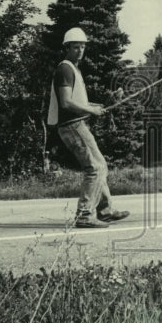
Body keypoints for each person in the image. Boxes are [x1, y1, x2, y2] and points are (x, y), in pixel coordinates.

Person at [48, 28, 129, 228]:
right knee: (95, 167)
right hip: (71, 126)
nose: (80, 51)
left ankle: (105, 210)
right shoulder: (65, 69)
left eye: (83, 47)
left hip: (75, 124)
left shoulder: (74, 69)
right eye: (76, 47)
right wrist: (91, 111)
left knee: (100, 165)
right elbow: (66, 103)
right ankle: (85, 214)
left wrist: (94, 107)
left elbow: (77, 101)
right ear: (67, 48)